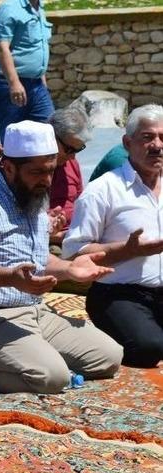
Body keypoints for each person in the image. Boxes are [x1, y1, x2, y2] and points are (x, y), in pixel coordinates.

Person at [0, 120, 122, 394]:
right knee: (52, 378)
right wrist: (10, 278)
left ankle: (29, 358)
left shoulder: (34, 196)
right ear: (9, 167)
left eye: (50, 171)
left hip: (35, 312)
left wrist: (70, 269)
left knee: (109, 358)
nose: (46, 180)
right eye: (37, 172)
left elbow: (38, 260)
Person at [63, 104, 163, 368]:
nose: (157, 145)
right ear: (127, 143)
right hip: (119, 293)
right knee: (149, 348)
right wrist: (129, 250)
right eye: (147, 137)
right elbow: (73, 254)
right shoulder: (103, 191)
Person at [0, 0, 55, 139]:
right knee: (9, 136)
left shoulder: (39, 8)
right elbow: (2, 48)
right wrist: (14, 83)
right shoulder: (9, 8)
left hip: (37, 85)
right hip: (10, 84)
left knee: (48, 132)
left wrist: (42, 78)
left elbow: (37, 47)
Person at [47, 107, 90, 250]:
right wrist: (59, 237)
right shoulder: (33, 168)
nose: (73, 157)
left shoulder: (71, 164)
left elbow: (78, 201)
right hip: (49, 240)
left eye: (79, 150)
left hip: (72, 236)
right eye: (69, 150)